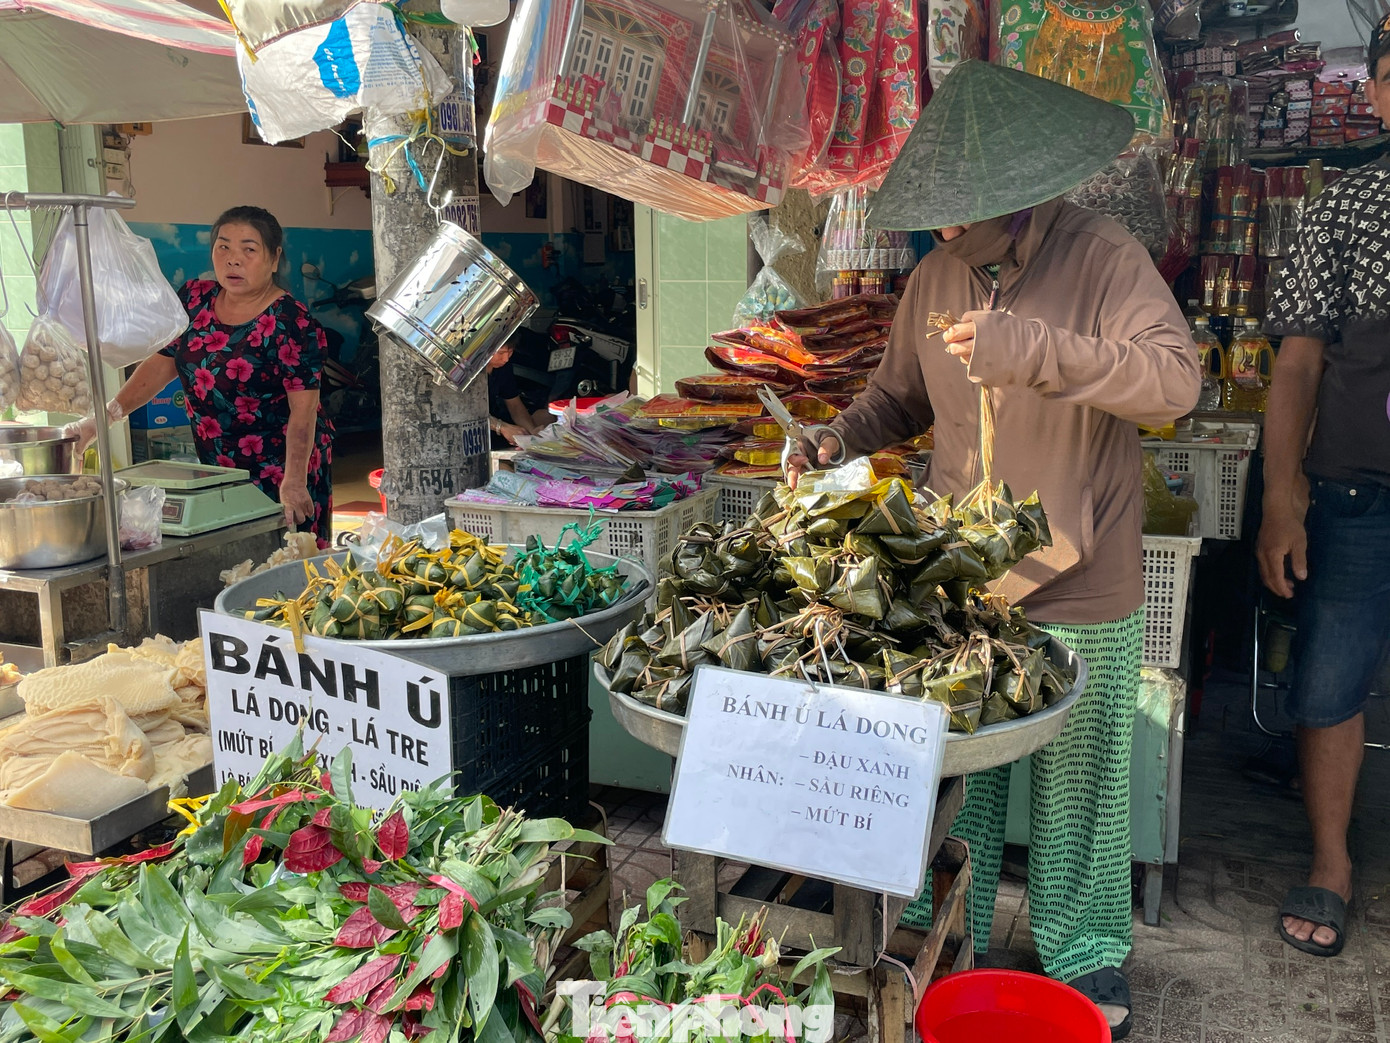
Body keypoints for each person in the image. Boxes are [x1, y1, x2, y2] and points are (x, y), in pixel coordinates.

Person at [786, 61, 1199, 1039]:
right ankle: (930, 929)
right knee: (950, 767)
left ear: (1014, 200)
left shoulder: (1102, 259)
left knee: (1078, 776)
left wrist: (1036, 351)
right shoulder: (935, 275)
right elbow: (898, 395)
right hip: (962, 570)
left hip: (1080, 570)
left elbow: (1172, 384)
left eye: (956, 213)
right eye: (930, 212)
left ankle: (1084, 947)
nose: (939, 231)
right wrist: (834, 438)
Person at [1255, 15, 1390, 960]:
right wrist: (1280, 495)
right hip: (1355, 493)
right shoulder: (1343, 207)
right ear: (1379, 90)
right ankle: (1332, 861)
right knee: (1331, 678)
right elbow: (1297, 365)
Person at [78, 206, 335, 547]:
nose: (233, 259)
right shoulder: (195, 298)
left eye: (249, 249)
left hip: (284, 467)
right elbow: (161, 364)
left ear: (274, 259)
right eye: (223, 247)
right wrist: (102, 419)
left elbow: (304, 411)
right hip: (217, 463)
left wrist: (294, 480)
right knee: (231, 558)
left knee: (287, 561)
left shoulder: (293, 322)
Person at [486, 343, 550, 447]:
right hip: (481, 428)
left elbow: (514, 405)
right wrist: (501, 427)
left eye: (510, 352)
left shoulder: (504, 368)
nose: (506, 359)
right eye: (501, 353)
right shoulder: (471, 372)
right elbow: (469, 414)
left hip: (497, 417)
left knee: (546, 417)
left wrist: (532, 432)